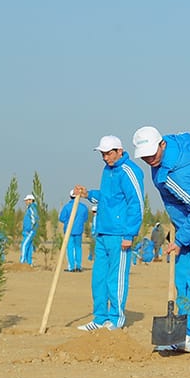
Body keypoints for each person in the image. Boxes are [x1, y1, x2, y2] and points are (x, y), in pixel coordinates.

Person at [133, 126, 190, 353]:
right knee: (181, 279)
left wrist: (180, 240)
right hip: (186, 224)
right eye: (144, 156)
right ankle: (178, 332)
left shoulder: (180, 173)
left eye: (152, 154)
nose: (149, 159)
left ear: (162, 144)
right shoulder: (161, 161)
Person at [74, 135, 145, 331]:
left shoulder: (129, 171)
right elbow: (106, 199)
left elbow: (136, 204)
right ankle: (99, 318)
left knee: (116, 278)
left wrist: (129, 234)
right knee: (99, 278)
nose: (105, 157)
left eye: (108, 153)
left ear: (119, 151)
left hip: (120, 235)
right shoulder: (107, 171)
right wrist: (89, 194)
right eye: (103, 154)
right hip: (103, 232)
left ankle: (115, 319)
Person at [58, 190, 90, 272]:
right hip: (79, 230)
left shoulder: (66, 207)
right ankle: (78, 266)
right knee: (78, 248)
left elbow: (61, 218)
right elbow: (85, 218)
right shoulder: (84, 207)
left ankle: (71, 267)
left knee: (70, 248)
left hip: (69, 230)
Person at [19, 194, 39, 266]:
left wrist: (30, 228)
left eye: (27, 200)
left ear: (31, 200)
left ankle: (22, 261)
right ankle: (29, 262)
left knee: (24, 245)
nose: (26, 202)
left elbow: (34, 218)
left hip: (30, 231)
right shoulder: (30, 208)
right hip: (28, 231)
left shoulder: (32, 208)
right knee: (29, 246)